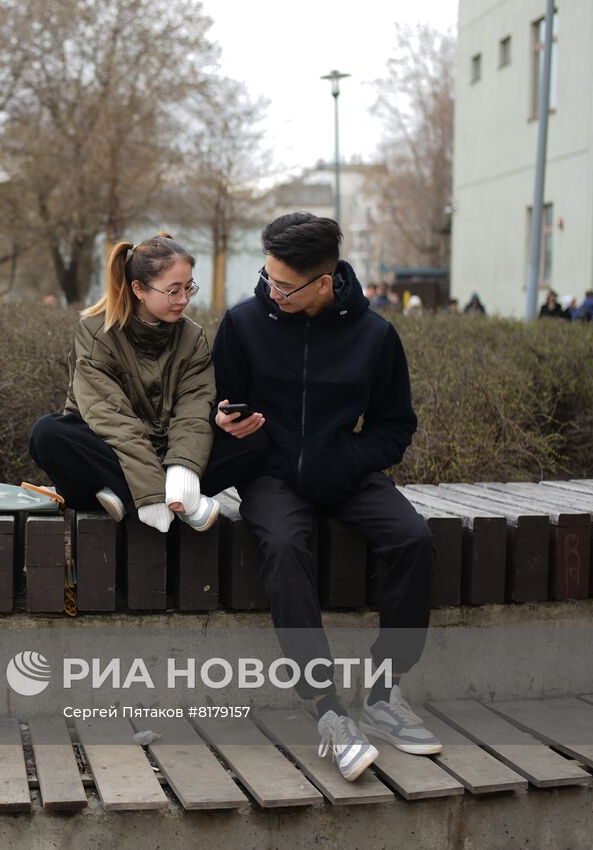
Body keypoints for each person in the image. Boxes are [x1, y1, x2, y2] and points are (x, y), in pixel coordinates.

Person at [211, 212, 439, 783]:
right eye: (267, 277)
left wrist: (348, 458)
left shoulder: (375, 336)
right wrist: (224, 423)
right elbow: (216, 411)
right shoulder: (242, 324)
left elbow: (395, 427)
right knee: (286, 547)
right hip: (270, 475)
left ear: (325, 280)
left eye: (285, 285)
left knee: (414, 541)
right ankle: (328, 711)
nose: (271, 290)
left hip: (347, 473)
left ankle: (384, 694)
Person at [29, 233, 268, 534]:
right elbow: (110, 417)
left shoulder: (192, 338)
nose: (183, 299)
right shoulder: (95, 333)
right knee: (48, 433)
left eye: (188, 288)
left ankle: (127, 494)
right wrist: (151, 489)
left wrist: (183, 471)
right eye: (173, 291)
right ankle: (168, 501)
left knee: (254, 442)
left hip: (169, 454)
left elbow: (194, 409)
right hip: (111, 450)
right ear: (139, 289)